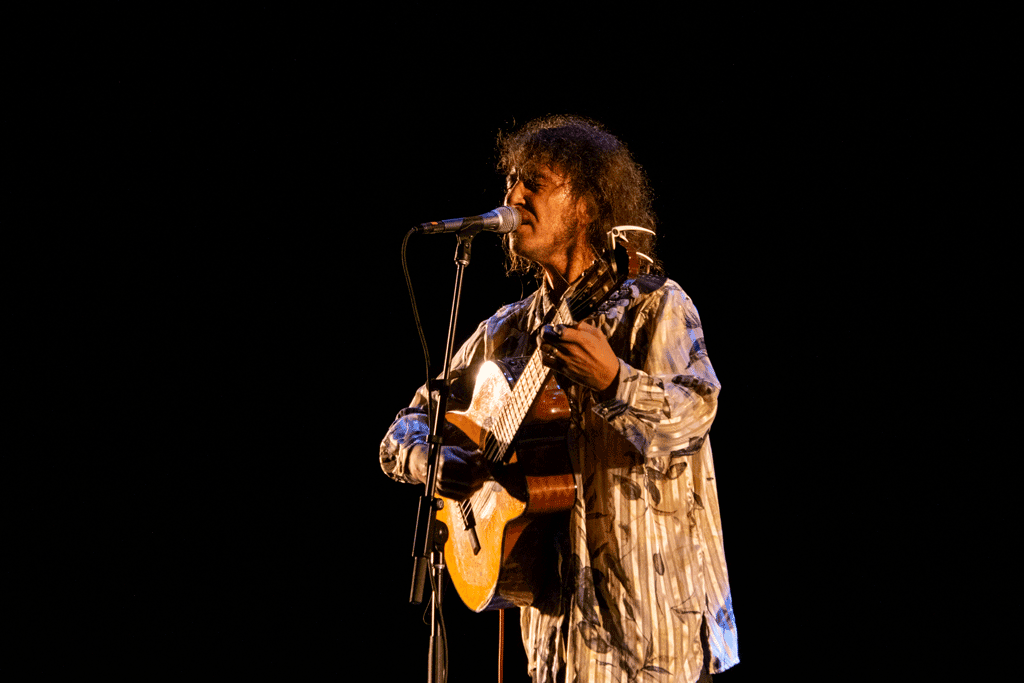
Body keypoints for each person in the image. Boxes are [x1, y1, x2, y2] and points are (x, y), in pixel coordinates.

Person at [380, 115, 739, 683]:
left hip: (649, 631)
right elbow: (404, 426)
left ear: (589, 207)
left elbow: (693, 417)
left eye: (534, 184)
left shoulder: (654, 306)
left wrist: (615, 381)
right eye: (510, 183)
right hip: (554, 638)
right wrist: (431, 462)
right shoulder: (509, 331)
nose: (512, 196)